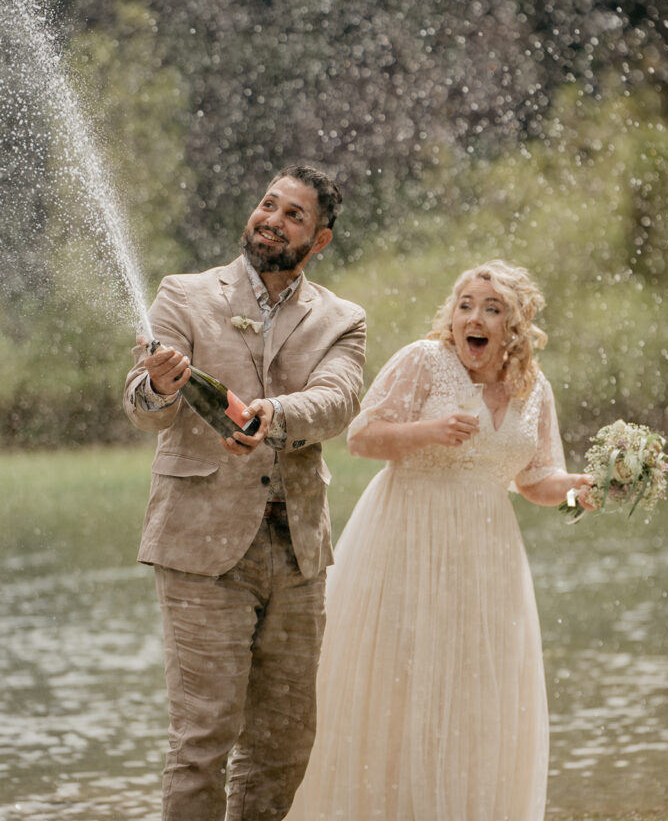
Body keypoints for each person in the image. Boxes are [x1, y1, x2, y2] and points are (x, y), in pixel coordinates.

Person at [286, 259, 593, 821]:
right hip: (407, 539)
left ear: (515, 326)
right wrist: (428, 432)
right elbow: (361, 437)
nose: (473, 318)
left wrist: (576, 492)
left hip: (486, 556)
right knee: (399, 687)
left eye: (492, 309)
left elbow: (536, 481)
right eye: (465, 305)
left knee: (476, 692)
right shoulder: (424, 361)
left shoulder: (534, 388)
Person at [123, 165, 366, 821]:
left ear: (319, 241)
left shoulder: (343, 319)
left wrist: (271, 416)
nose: (271, 219)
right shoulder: (183, 293)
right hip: (200, 549)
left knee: (285, 742)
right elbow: (142, 406)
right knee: (203, 737)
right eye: (268, 204)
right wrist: (164, 386)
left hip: (297, 556)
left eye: (293, 215)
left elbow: (337, 400)